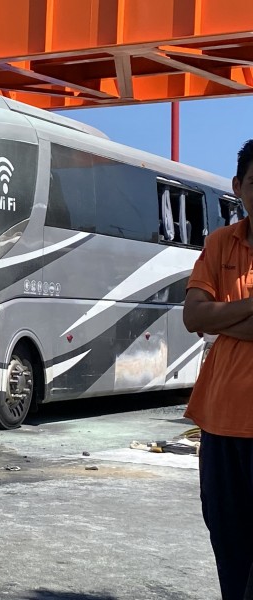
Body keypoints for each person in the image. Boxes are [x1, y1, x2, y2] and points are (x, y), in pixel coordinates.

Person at [183, 138, 253, 600]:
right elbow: (192, 317)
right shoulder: (219, 242)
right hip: (219, 420)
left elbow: (209, 316)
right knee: (227, 539)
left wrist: (224, 316)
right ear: (238, 188)